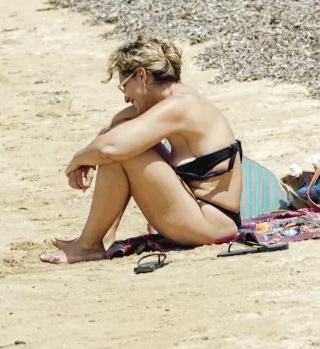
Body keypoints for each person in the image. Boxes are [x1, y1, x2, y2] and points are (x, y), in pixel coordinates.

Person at [41, 36, 243, 264]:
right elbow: (114, 127)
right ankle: (100, 239)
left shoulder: (181, 106)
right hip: (203, 215)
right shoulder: (174, 101)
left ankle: (88, 245)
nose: (126, 97)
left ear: (141, 76)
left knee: (122, 151)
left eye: (124, 86)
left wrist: (75, 162)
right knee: (121, 141)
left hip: (209, 224)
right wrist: (89, 160)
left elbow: (110, 148)